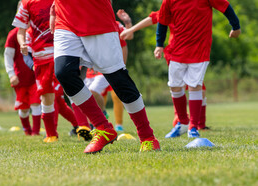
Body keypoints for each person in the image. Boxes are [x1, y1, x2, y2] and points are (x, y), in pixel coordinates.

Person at [50, 0, 160, 153]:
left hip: (97, 19)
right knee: (64, 73)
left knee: (118, 79)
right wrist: (53, 10)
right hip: (65, 20)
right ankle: (103, 128)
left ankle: (147, 137)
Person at [154, 0, 240, 138]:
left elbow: (225, 7)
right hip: (176, 49)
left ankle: (193, 127)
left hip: (200, 49)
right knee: (175, 86)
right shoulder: (168, 1)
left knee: (195, 86)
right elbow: (162, 21)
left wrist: (235, 27)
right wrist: (159, 44)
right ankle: (182, 122)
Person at [121, 11, 210, 137]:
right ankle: (182, 120)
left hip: (194, 53)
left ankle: (197, 124)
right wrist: (132, 29)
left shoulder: (194, 7)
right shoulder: (172, 7)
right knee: (177, 86)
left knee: (198, 87)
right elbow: (153, 18)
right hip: (176, 54)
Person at [12, 0, 58, 143]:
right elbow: (21, 30)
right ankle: (51, 135)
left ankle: (91, 125)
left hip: (61, 51)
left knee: (72, 88)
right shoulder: (27, 3)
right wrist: (22, 44)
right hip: (40, 57)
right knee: (45, 95)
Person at [4, 26, 41, 136]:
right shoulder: (13, 34)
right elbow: (8, 56)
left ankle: (35, 132)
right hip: (20, 79)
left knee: (36, 103)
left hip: (35, 76)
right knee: (24, 108)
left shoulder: (35, 31)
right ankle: (27, 130)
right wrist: (11, 74)